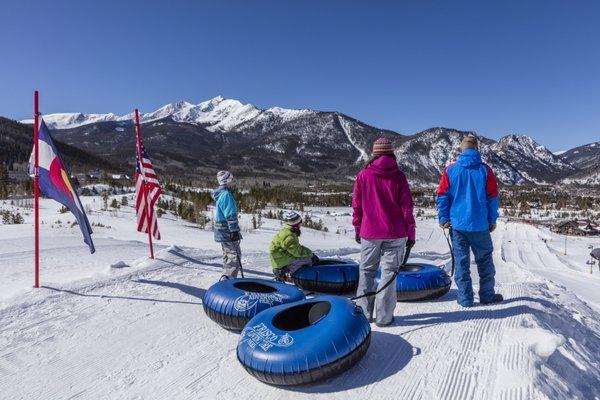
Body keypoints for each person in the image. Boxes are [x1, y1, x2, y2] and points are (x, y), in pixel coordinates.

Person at [352, 137, 416, 327]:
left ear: (375, 153)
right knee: (389, 274)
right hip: (395, 233)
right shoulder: (399, 176)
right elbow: (407, 209)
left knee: (366, 272)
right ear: (391, 152)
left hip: (369, 233)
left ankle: (363, 316)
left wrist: (357, 227)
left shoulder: (363, 175)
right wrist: (410, 234)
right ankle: (384, 317)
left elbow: (357, 206)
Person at [436, 134, 502, 307]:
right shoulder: (485, 171)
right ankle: (487, 296)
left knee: (462, 263)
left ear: (462, 150)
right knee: (485, 262)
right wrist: (491, 219)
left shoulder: (450, 170)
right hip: (480, 225)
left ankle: (465, 299)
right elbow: (493, 198)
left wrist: (443, 217)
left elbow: (442, 196)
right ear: (477, 149)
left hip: (458, 226)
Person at [269, 211, 319, 282]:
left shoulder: (287, 231)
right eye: (300, 223)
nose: (301, 224)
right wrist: (311, 254)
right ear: (295, 225)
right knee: (307, 260)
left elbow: (295, 248)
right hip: (280, 259)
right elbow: (297, 251)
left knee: (304, 258)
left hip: (279, 257)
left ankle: (285, 270)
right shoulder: (290, 236)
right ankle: (286, 272)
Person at [212, 170, 242, 280]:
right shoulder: (226, 195)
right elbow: (230, 215)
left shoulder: (222, 194)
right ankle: (228, 279)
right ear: (227, 182)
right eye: (232, 181)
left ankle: (226, 276)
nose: (234, 183)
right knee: (234, 256)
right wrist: (234, 231)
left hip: (222, 231)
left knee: (228, 254)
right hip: (227, 231)